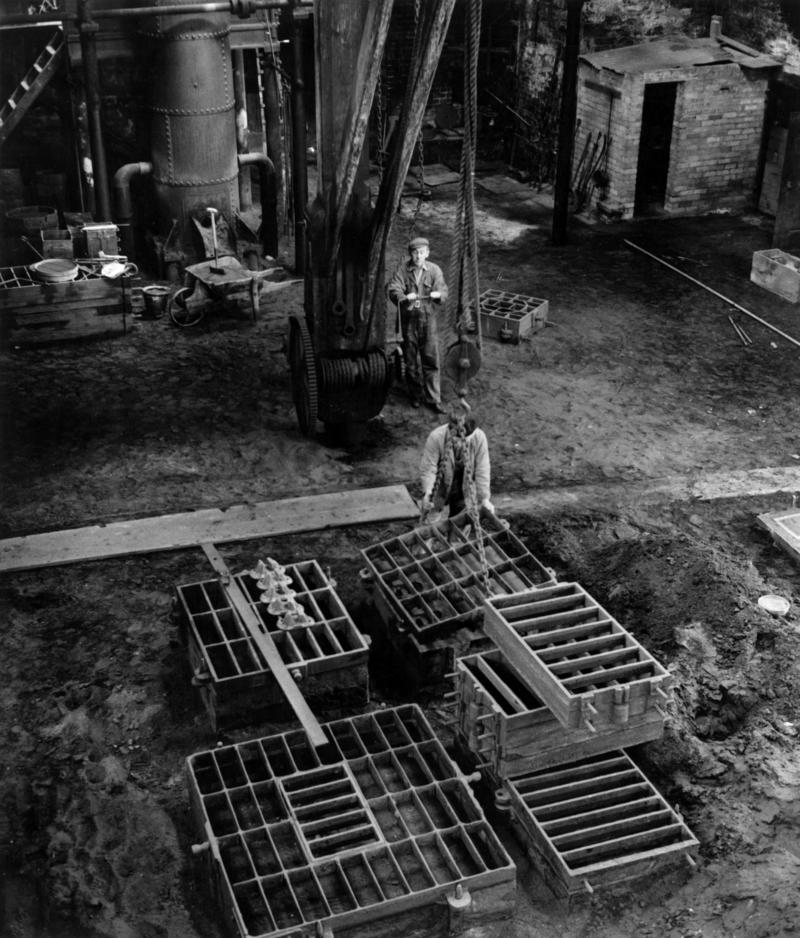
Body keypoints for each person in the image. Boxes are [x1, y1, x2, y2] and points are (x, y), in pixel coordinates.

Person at [387, 236, 448, 412]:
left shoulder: (434, 271)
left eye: (422, 252)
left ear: (427, 253)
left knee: (431, 360)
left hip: (428, 322)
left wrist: (438, 295)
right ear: (410, 254)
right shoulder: (403, 270)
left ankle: (433, 399)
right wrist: (404, 297)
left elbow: (443, 290)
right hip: (408, 323)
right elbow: (393, 288)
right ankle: (415, 395)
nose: (418, 256)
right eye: (415, 253)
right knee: (411, 361)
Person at [419, 398, 495, 519]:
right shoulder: (436, 437)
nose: (460, 443)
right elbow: (429, 468)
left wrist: (485, 498)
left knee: (460, 520)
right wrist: (428, 492)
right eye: (457, 439)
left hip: (463, 487)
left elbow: (483, 469)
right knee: (430, 521)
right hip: (440, 487)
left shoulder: (479, 438)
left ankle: (454, 535)